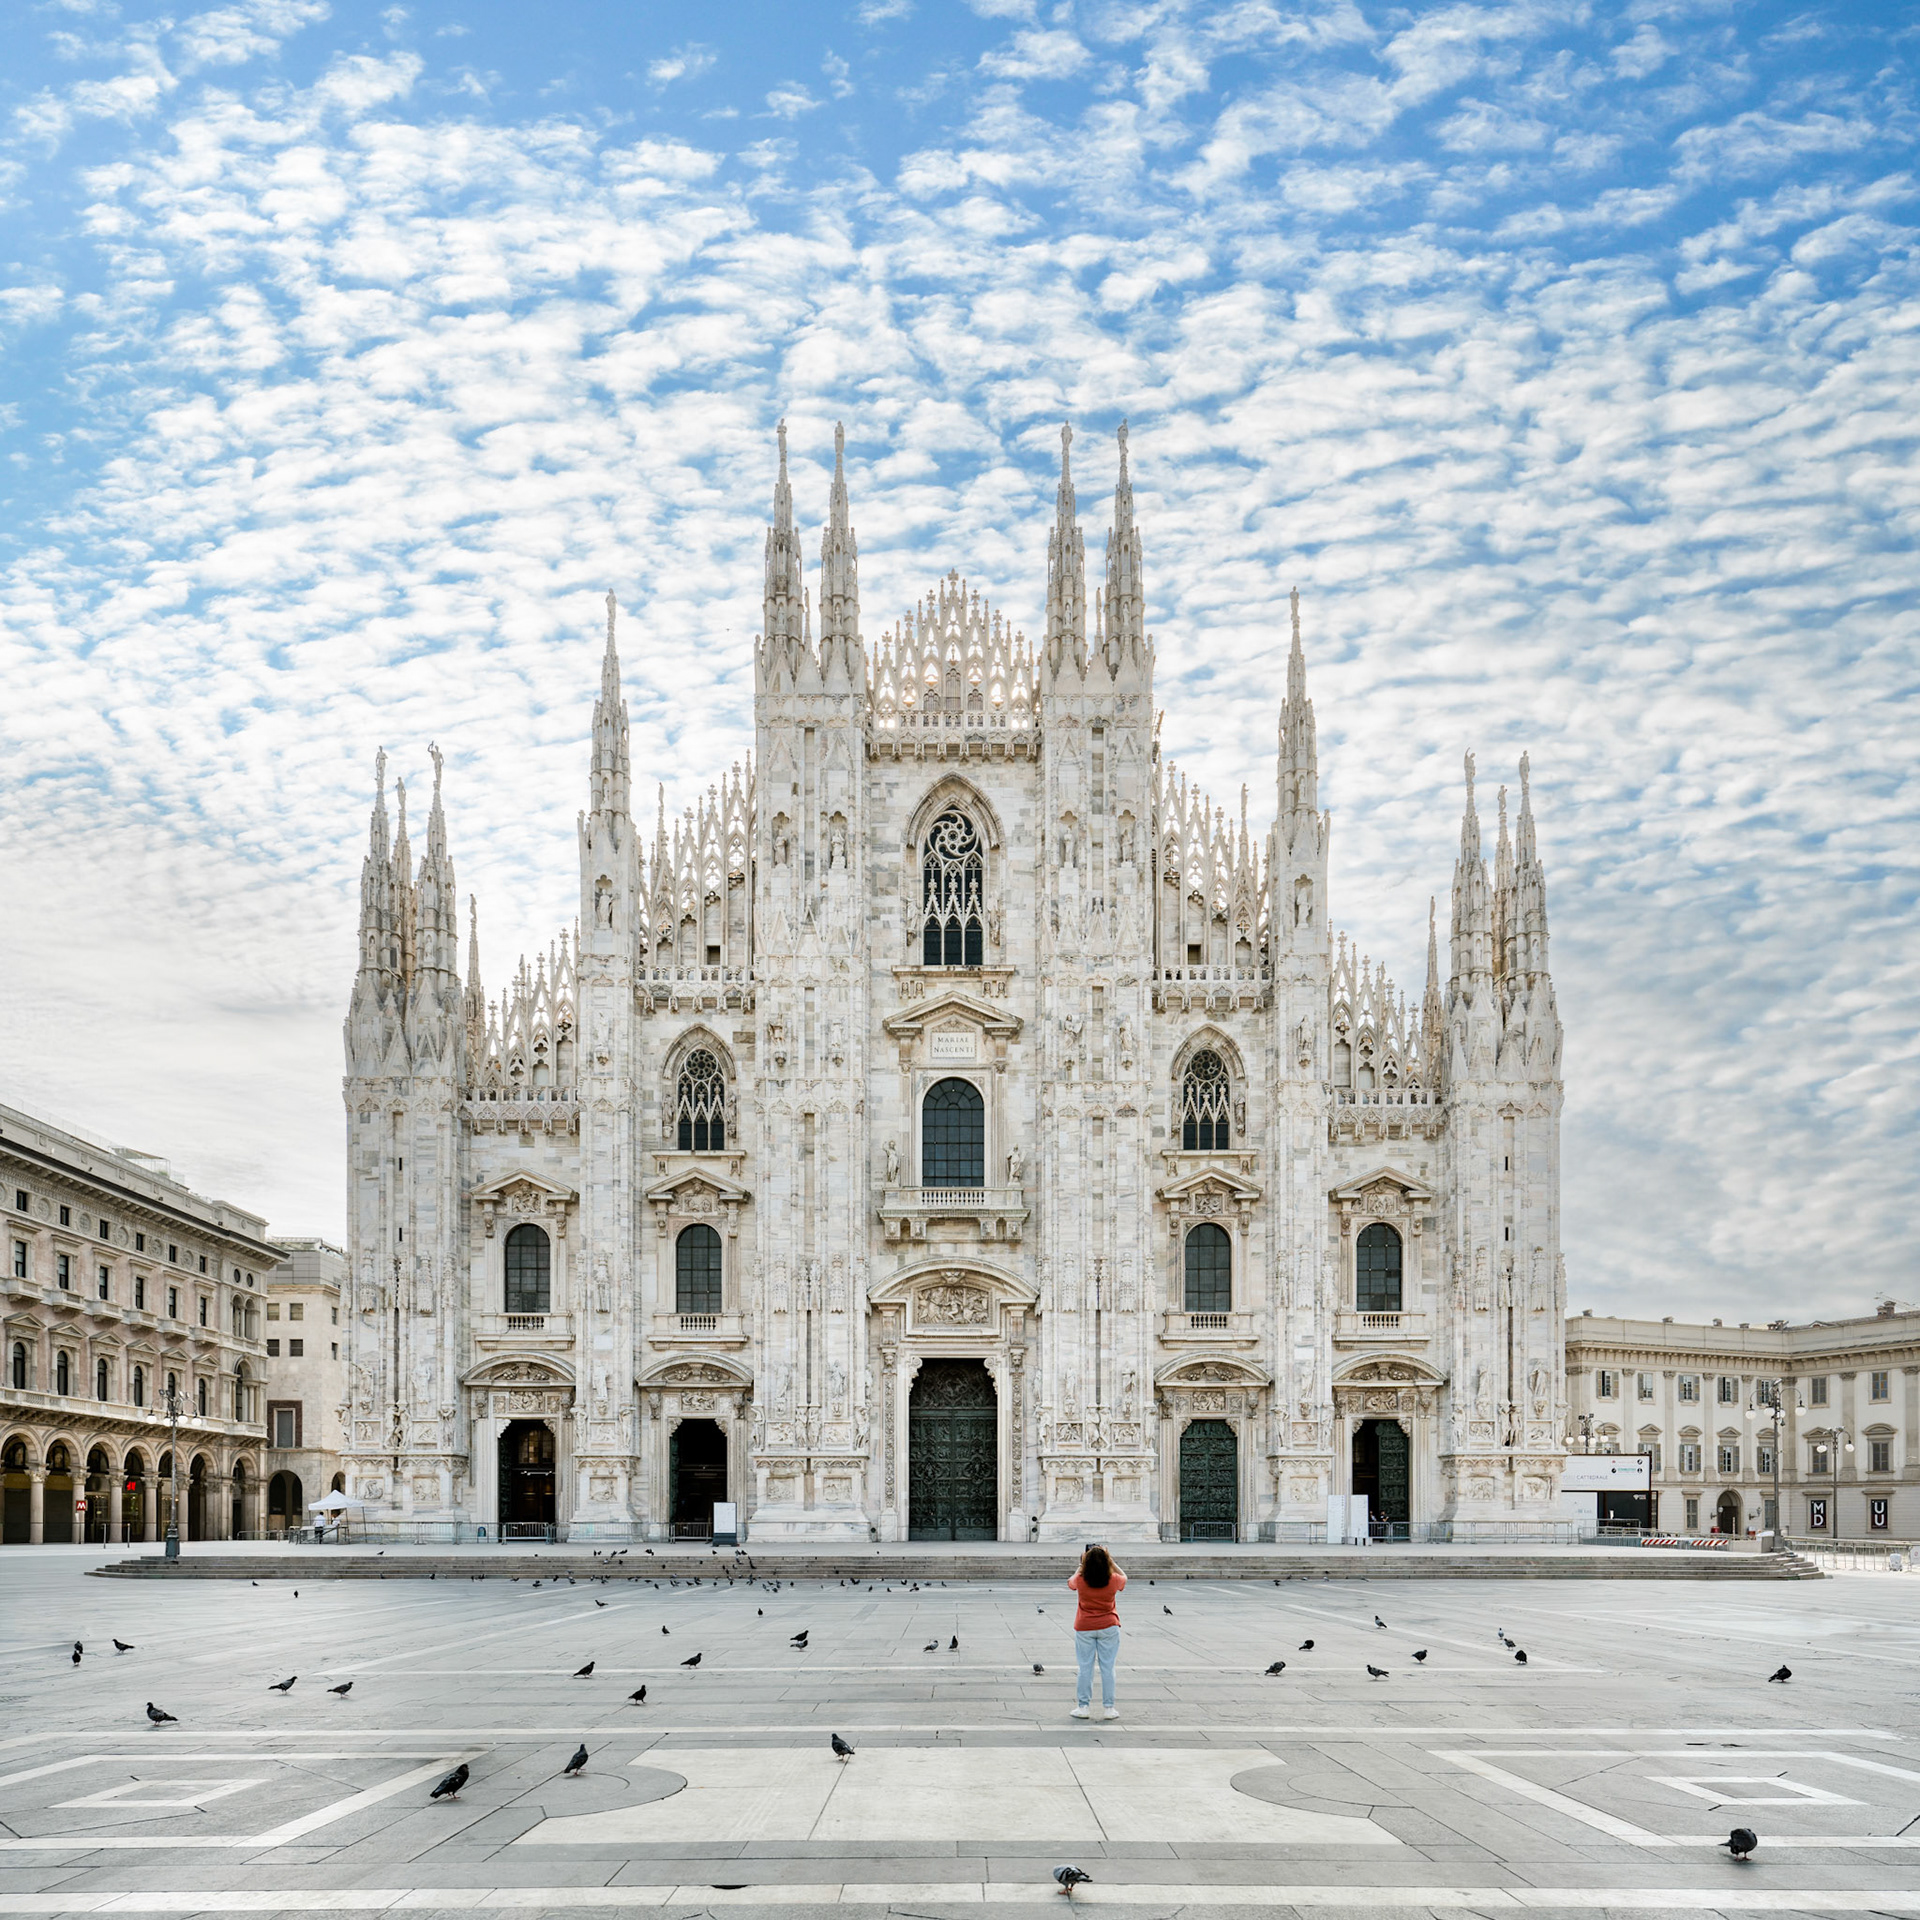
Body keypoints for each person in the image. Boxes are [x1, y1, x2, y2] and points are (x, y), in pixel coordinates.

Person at [1067, 1543, 1125, 1720]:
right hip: (1109, 1626)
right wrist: (1111, 1561)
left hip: (1085, 1627)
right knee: (1108, 1668)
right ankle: (1109, 1708)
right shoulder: (1114, 1579)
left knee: (1085, 1668)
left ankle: (1083, 1707)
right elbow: (1125, 1577)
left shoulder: (1080, 1580)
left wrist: (1081, 1564)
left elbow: (1070, 1582)